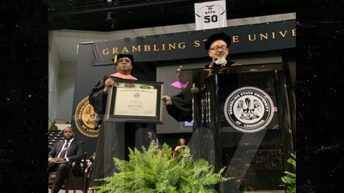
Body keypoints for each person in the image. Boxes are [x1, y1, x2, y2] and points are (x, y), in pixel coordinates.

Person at [88, 53, 144, 182]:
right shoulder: (108, 79)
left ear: (131, 65)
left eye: (127, 61)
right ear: (117, 65)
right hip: (112, 124)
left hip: (132, 124)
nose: (124, 62)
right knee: (112, 153)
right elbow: (93, 98)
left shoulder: (139, 83)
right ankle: (110, 185)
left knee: (131, 152)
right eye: (121, 61)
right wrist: (106, 89)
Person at [162, 32, 237, 122]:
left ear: (227, 51)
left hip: (232, 115)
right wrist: (172, 102)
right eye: (216, 48)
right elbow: (191, 99)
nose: (220, 50)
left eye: (222, 47)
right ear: (210, 53)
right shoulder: (202, 73)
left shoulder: (237, 69)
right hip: (209, 119)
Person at [48, 127, 84, 193]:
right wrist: (50, 159)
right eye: (66, 132)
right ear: (63, 133)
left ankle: (54, 191)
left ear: (73, 133)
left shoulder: (78, 143)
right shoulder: (58, 143)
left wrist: (65, 159)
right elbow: (50, 154)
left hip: (68, 164)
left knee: (62, 166)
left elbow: (79, 156)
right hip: (54, 163)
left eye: (69, 132)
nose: (68, 133)